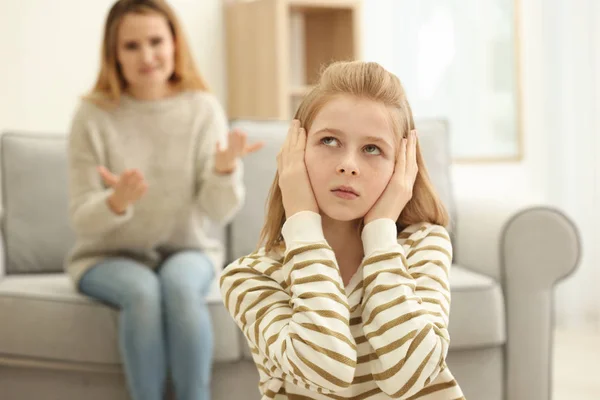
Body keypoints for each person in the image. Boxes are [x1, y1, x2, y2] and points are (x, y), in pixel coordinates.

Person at [219, 61, 464, 399]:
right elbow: (328, 370)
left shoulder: (424, 244)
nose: (348, 164)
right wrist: (301, 220)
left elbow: (408, 377)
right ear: (295, 152)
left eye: (372, 149)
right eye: (330, 140)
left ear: (403, 167)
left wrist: (379, 233)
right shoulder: (249, 279)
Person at [64, 1, 262, 400]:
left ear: (175, 43)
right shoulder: (92, 114)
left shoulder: (202, 108)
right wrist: (115, 202)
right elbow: (82, 221)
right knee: (141, 292)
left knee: (180, 287)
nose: (147, 56)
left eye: (156, 41)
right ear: (114, 54)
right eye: (131, 46)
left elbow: (217, 210)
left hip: (187, 249)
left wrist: (224, 170)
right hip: (105, 257)